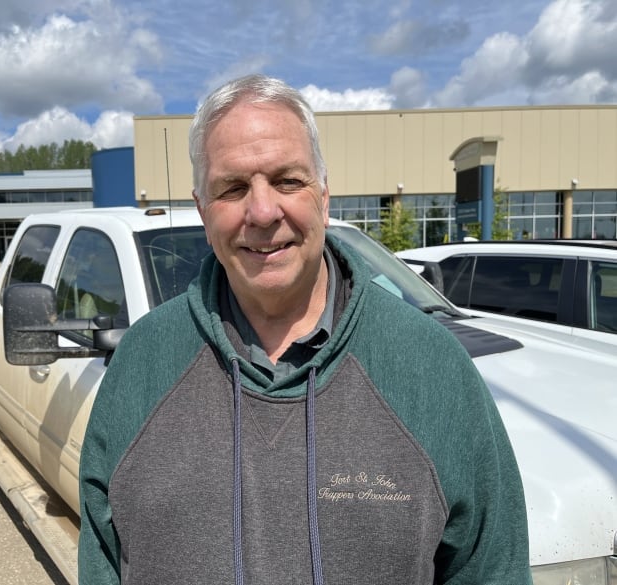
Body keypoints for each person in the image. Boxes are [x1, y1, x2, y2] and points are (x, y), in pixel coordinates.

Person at [78, 74, 531, 584]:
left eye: (288, 181)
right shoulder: (142, 365)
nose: (264, 212)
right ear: (203, 211)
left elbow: (493, 570)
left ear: (324, 195)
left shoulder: (433, 368)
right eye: (232, 187)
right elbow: (101, 560)